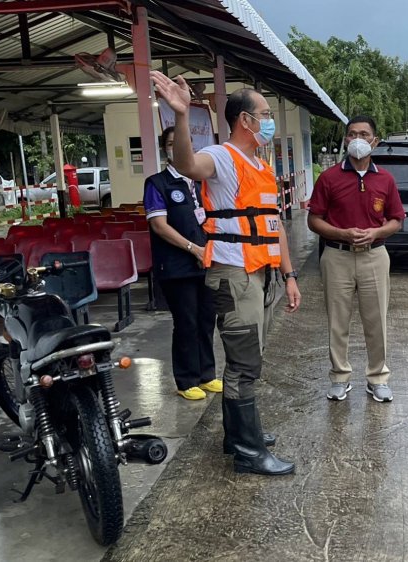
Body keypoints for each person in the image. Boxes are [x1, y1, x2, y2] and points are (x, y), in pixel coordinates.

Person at [151, 71, 300, 476]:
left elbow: (273, 224)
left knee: (250, 358)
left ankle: (238, 435)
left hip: (261, 273)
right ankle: (249, 453)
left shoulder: (261, 165)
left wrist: (288, 275)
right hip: (234, 273)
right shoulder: (221, 156)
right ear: (245, 120)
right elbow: (187, 162)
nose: (270, 120)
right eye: (265, 113)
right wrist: (181, 116)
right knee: (244, 363)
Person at [307, 116, 405, 403]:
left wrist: (375, 233)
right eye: (352, 134)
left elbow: (396, 219)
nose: (358, 139)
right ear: (345, 140)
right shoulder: (329, 178)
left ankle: (377, 378)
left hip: (375, 256)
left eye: (364, 134)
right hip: (336, 256)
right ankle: (339, 377)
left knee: (376, 320)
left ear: (375, 140)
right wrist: (342, 233)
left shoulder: (385, 179)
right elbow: (314, 220)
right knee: (337, 321)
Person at [143, 126, 220, 401]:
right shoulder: (157, 183)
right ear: (164, 148)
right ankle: (186, 380)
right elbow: (159, 226)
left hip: (205, 263)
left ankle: (207, 375)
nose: (177, 148)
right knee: (186, 322)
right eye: (172, 143)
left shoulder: (199, 182)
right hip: (177, 267)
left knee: (206, 319)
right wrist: (192, 248)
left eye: (183, 143)